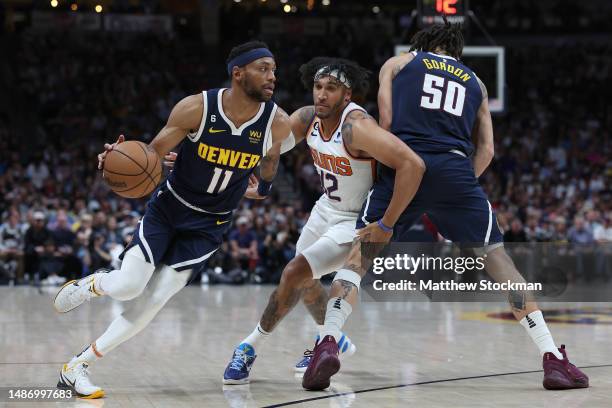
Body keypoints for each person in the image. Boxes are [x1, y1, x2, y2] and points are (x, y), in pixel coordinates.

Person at [303, 21, 589, 391]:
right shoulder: (477, 82)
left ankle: (327, 340)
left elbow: (386, 126)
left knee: (360, 256)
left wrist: (402, 186)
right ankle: (552, 358)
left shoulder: (400, 63)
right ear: (456, 51)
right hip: (456, 171)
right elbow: (488, 150)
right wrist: (457, 185)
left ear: (420, 43)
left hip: (408, 164)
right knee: (501, 263)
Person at [52, 40, 292, 399]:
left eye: (274, 69)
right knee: (130, 286)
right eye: (263, 68)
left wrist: (265, 187)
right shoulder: (197, 108)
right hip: (170, 210)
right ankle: (94, 285)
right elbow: (149, 157)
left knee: (154, 302)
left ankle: (77, 366)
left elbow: (270, 158)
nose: (272, 76)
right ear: (237, 73)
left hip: (210, 225)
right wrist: (115, 158)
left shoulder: (278, 122)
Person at [222, 57, 424, 385]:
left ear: (347, 95)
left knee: (294, 272)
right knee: (304, 283)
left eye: (331, 88)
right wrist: (257, 182)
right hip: (323, 209)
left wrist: (386, 224)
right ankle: (329, 340)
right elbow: (266, 147)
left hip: (354, 220)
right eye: (318, 87)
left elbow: (411, 164)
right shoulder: (307, 118)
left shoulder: (356, 126)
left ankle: (249, 347)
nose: (322, 94)